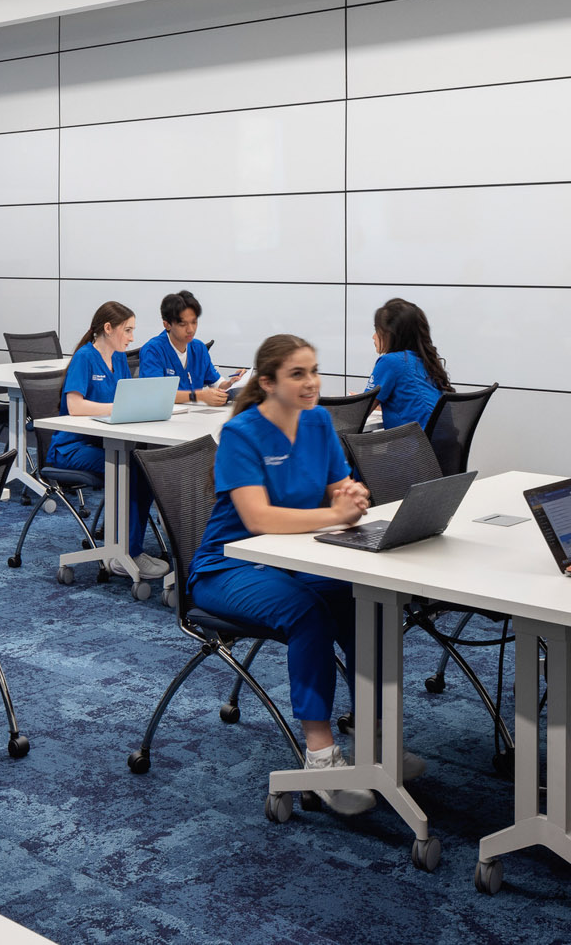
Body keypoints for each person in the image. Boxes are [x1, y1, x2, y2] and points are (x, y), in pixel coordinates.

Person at [187, 334, 375, 814]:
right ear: (267, 383)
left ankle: (378, 745)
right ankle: (321, 756)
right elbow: (259, 520)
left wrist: (350, 495)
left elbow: (338, 486)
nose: (311, 383)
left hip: (292, 560)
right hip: (227, 566)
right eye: (298, 374)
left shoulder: (318, 422)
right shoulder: (242, 434)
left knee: (361, 602)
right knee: (308, 614)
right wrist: (336, 515)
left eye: (314, 371)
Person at [46, 301, 165, 581]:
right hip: (71, 448)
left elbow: (125, 397)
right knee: (134, 472)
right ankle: (126, 554)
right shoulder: (85, 357)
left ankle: (129, 550)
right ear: (108, 328)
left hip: (103, 442)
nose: (132, 338)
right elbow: (74, 406)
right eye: (128, 330)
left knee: (143, 469)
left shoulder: (120, 358)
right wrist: (114, 407)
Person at [137, 289, 242, 406]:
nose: (190, 329)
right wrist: (199, 396)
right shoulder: (153, 350)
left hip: (193, 416)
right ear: (167, 325)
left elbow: (217, 383)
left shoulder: (199, 348)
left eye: (194, 322)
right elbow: (156, 393)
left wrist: (232, 384)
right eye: (183, 324)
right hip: (164, 419)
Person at [365, 297, 452, 431]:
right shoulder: (424, 360)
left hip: (413, 448)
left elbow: (360, 412)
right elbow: (411, 403)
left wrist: (341, 404)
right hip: (441, 448)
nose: (373, 336)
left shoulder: (390, 362)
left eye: (377, 330)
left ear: (390, 333)